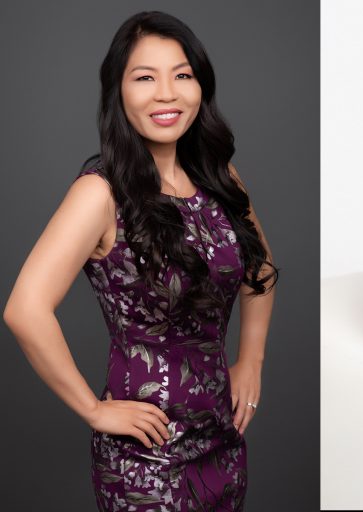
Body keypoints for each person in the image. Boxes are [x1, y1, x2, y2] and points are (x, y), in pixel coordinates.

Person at [3, 11, 277, 510]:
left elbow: (258, 268)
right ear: (118, 92)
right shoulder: (100, 194)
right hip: (145, 460)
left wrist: (252, 360)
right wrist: (91, 409)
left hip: (223, 443)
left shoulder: (221, 179)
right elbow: (24, 309)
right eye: (145, 78)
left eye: (182, 75)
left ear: (201, 86)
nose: (167, 94)